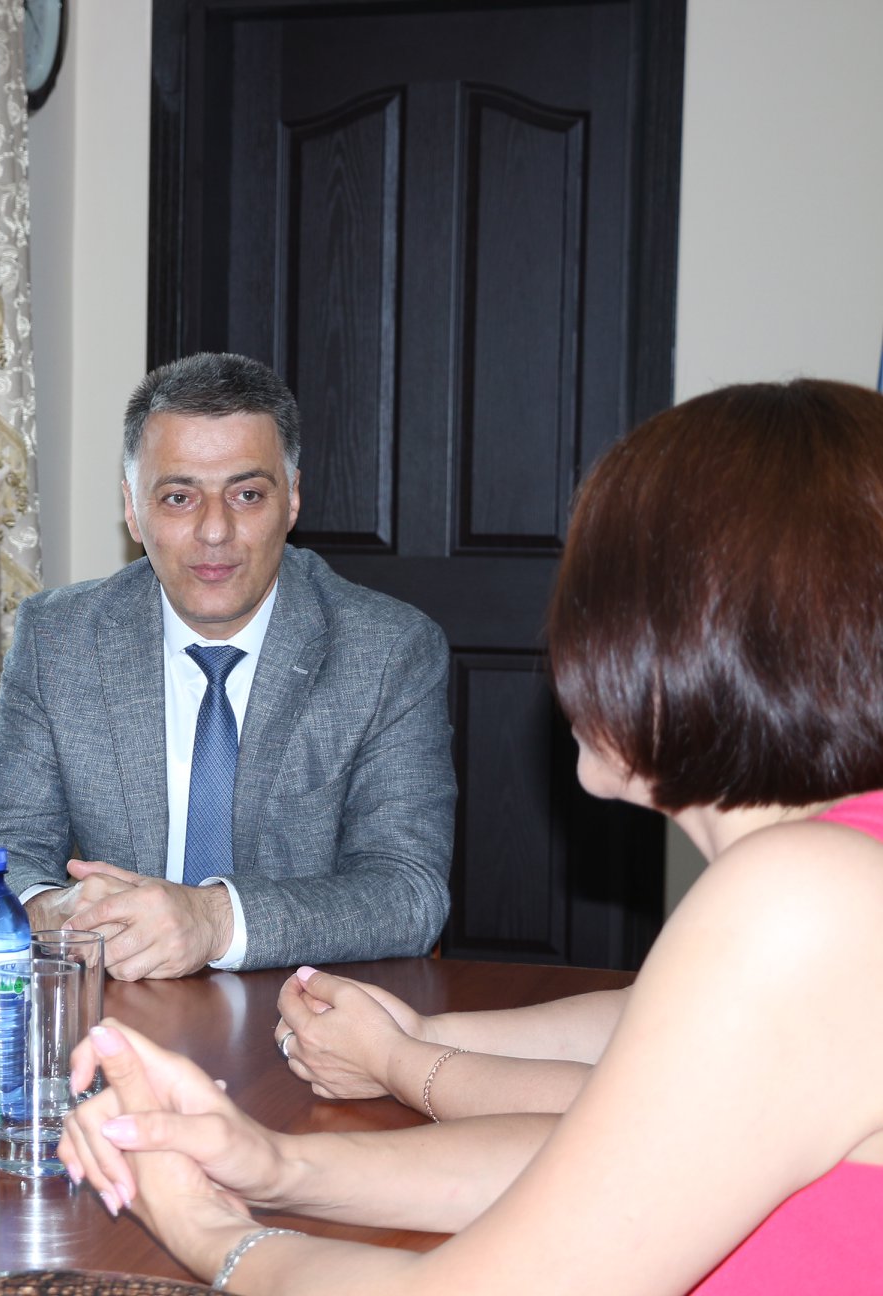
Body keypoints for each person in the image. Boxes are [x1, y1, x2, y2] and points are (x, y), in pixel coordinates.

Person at [58, 378, 883, 1292]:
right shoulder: (832, 873)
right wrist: (270, 1163)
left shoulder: (805, 902)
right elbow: (601, 1156)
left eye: (588, 592)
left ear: (687, 633)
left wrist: (208, 1229)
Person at [0, 352, 454, 978]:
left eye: (247, 495)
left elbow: (409, 892)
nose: (215, 530)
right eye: (178, 497)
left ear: (292, 500)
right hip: (120, 1001)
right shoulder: (58, 639)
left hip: (305, 1006)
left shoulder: (388, 650)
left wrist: (212, 920)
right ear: (132, 509)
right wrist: (58, 911)